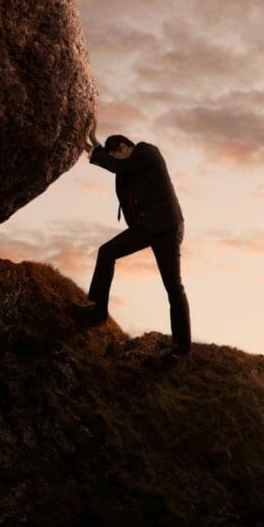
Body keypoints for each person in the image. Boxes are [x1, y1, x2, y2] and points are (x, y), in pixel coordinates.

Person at [81, 120, 191, 357]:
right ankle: (98, 310)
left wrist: (91, 148)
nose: (118, 162)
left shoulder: (147, 152)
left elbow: (118, 166)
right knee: (107, 252)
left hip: (167, 227)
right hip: (147, 228)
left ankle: (181, 348)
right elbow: (117, 166)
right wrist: (95, 143)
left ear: (124, 147)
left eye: (117, 156)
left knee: (173, 286)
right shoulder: (128, 167)